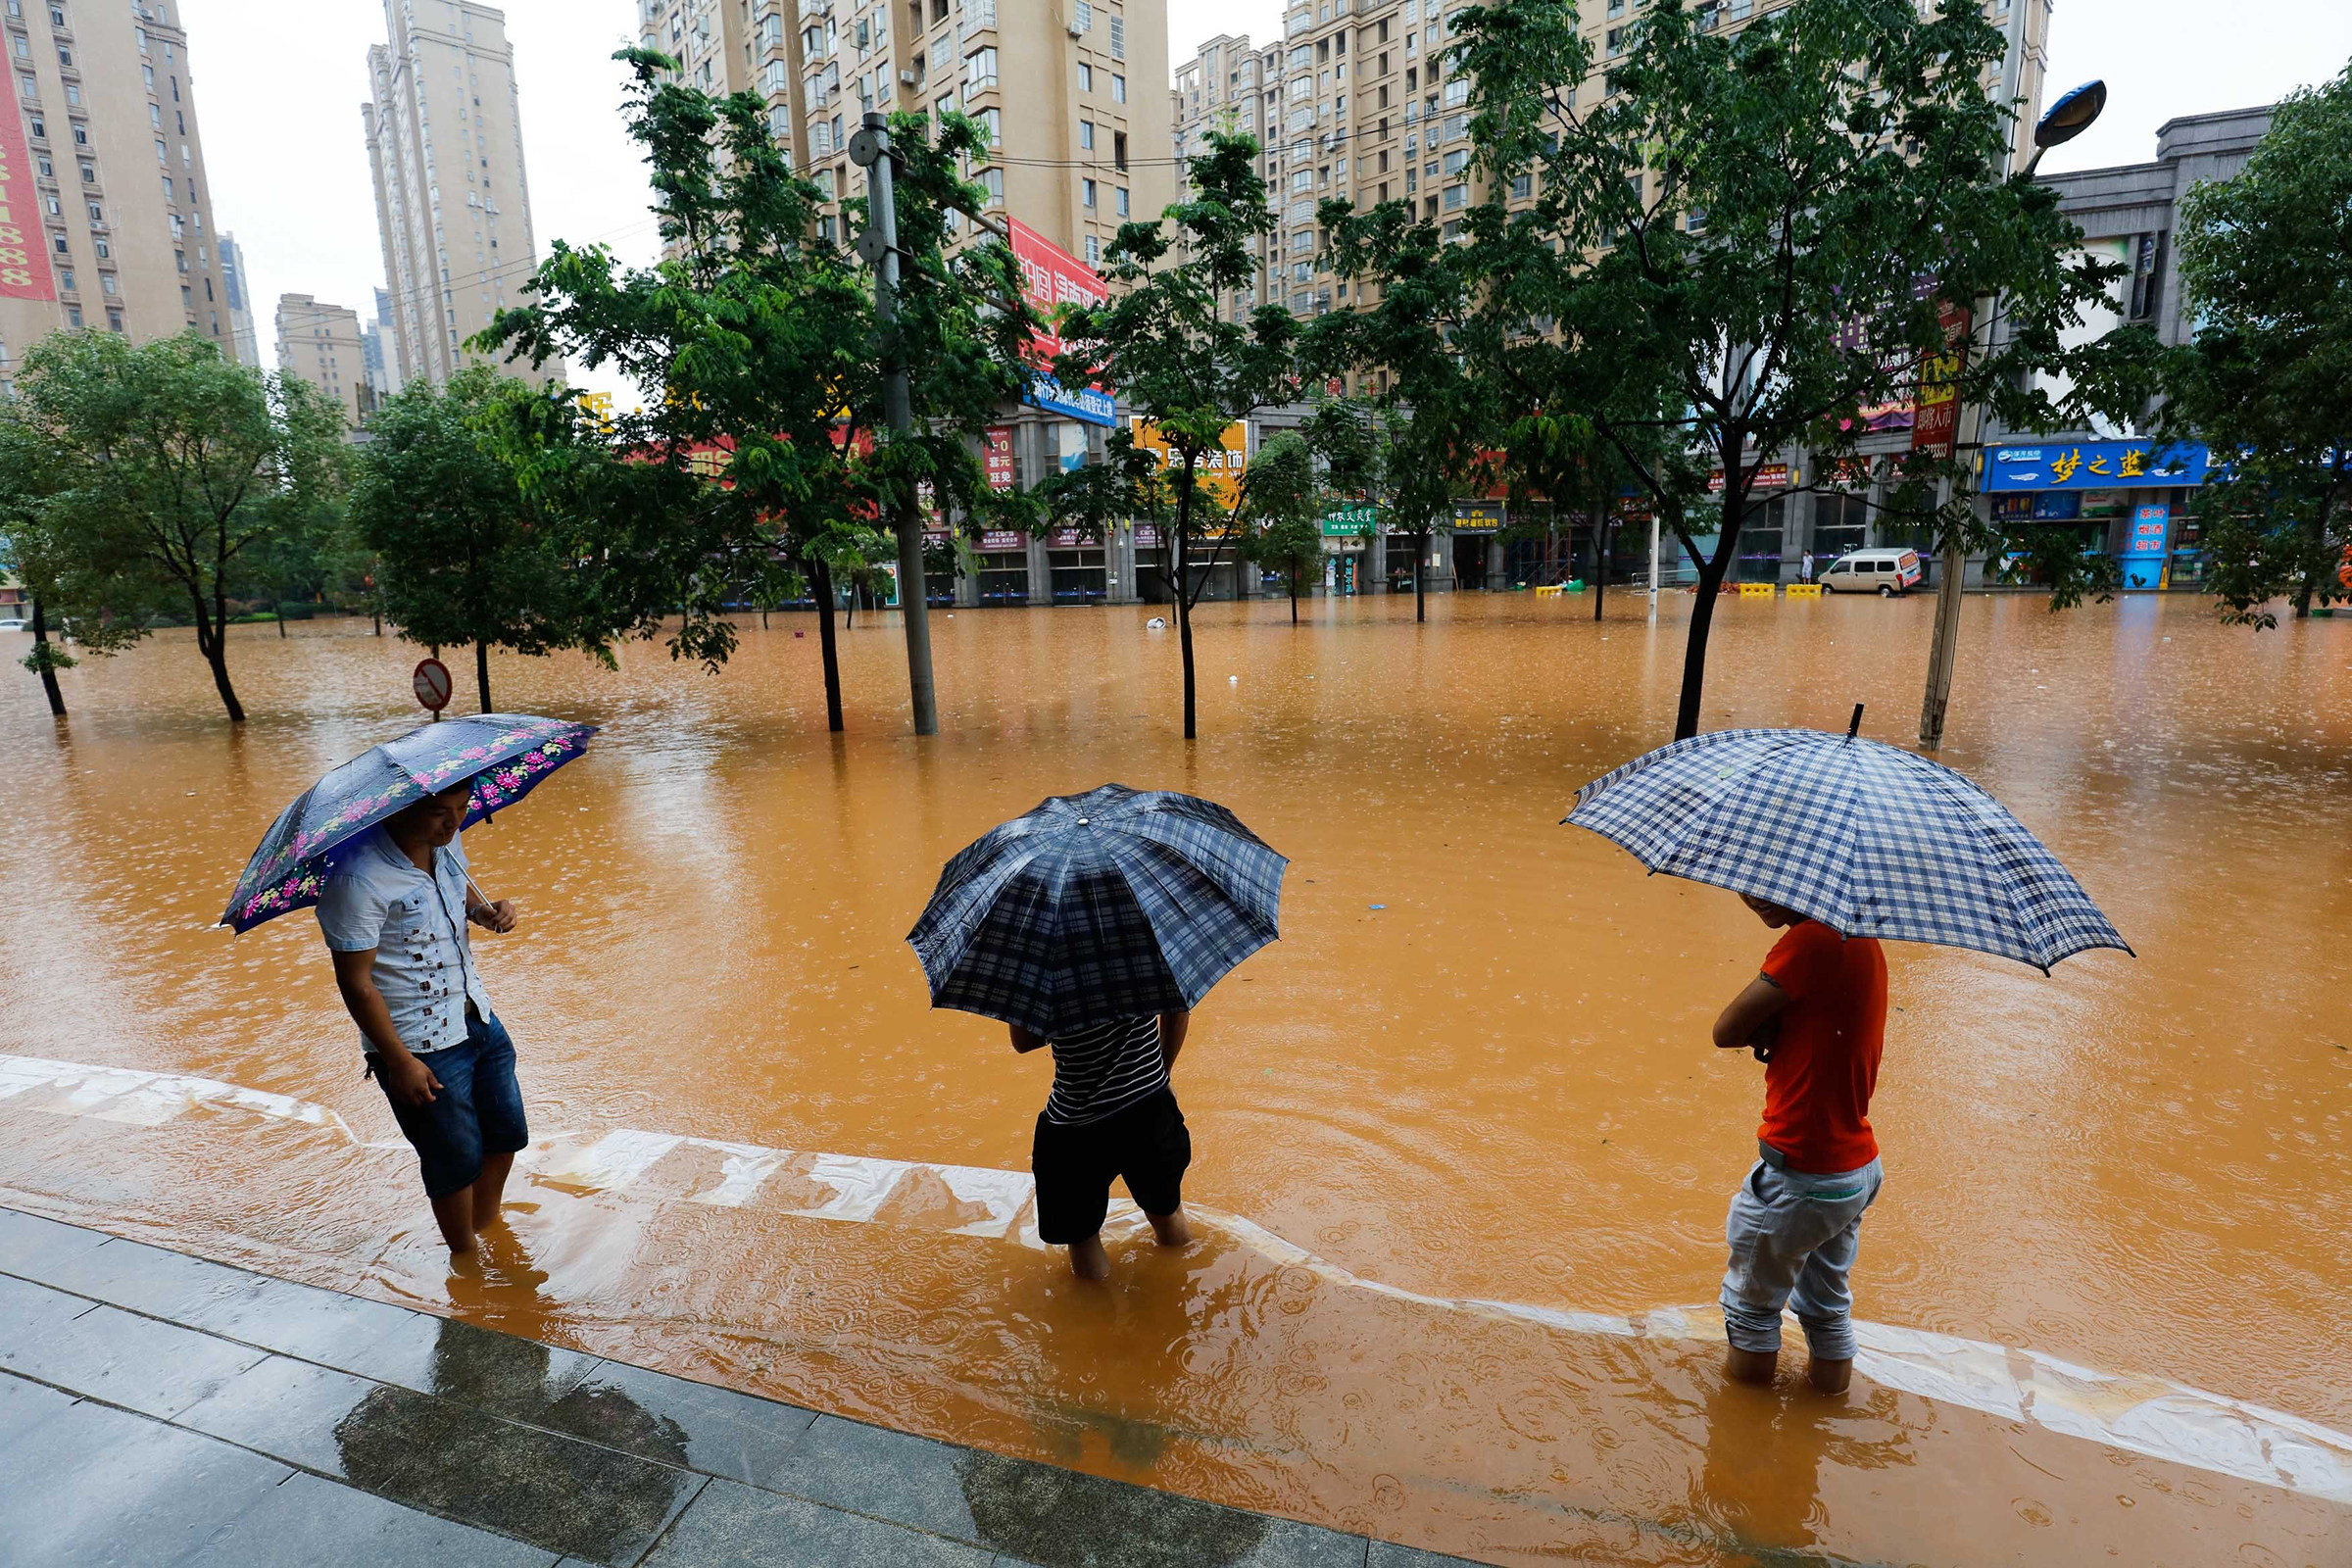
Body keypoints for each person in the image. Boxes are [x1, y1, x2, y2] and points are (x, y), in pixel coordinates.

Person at [318, 779, 523, 1258]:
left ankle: (489, 1225)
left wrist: (487, 912)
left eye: (463, 807)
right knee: (452, 1157)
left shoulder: (447, 846)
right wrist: (398, 1060)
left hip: (477, 1014)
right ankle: (465, 1260)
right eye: (439, 813)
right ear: (395, 810)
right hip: (418, 1041)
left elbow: (460, 901)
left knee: (507, 1131)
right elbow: (356, 982)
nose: (454, 822)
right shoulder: (357, 880)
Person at [1708, 894, 1886, 1394]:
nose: (1751, 898)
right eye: (1744, 886)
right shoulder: (1861, 937)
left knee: (1750, 1312)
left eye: (1761, 884)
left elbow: (1724, 1030)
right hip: (1854, 1169)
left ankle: (1745, 1443)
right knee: (1827, 1309)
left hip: (1802, 1174)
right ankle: (1821, 1424)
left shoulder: (1810, 941)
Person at [1010, 1010, 1195, 1280]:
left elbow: (1023, 1041)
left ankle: (1099, 1317)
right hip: (1151, 1106)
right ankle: (1181, 1291)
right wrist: (1162, 1076)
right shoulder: (1147, 966)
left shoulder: (1049, 970)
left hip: (1076, 1124)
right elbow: (1177, 1009)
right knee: (1168, 1214)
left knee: (1083, 1239)